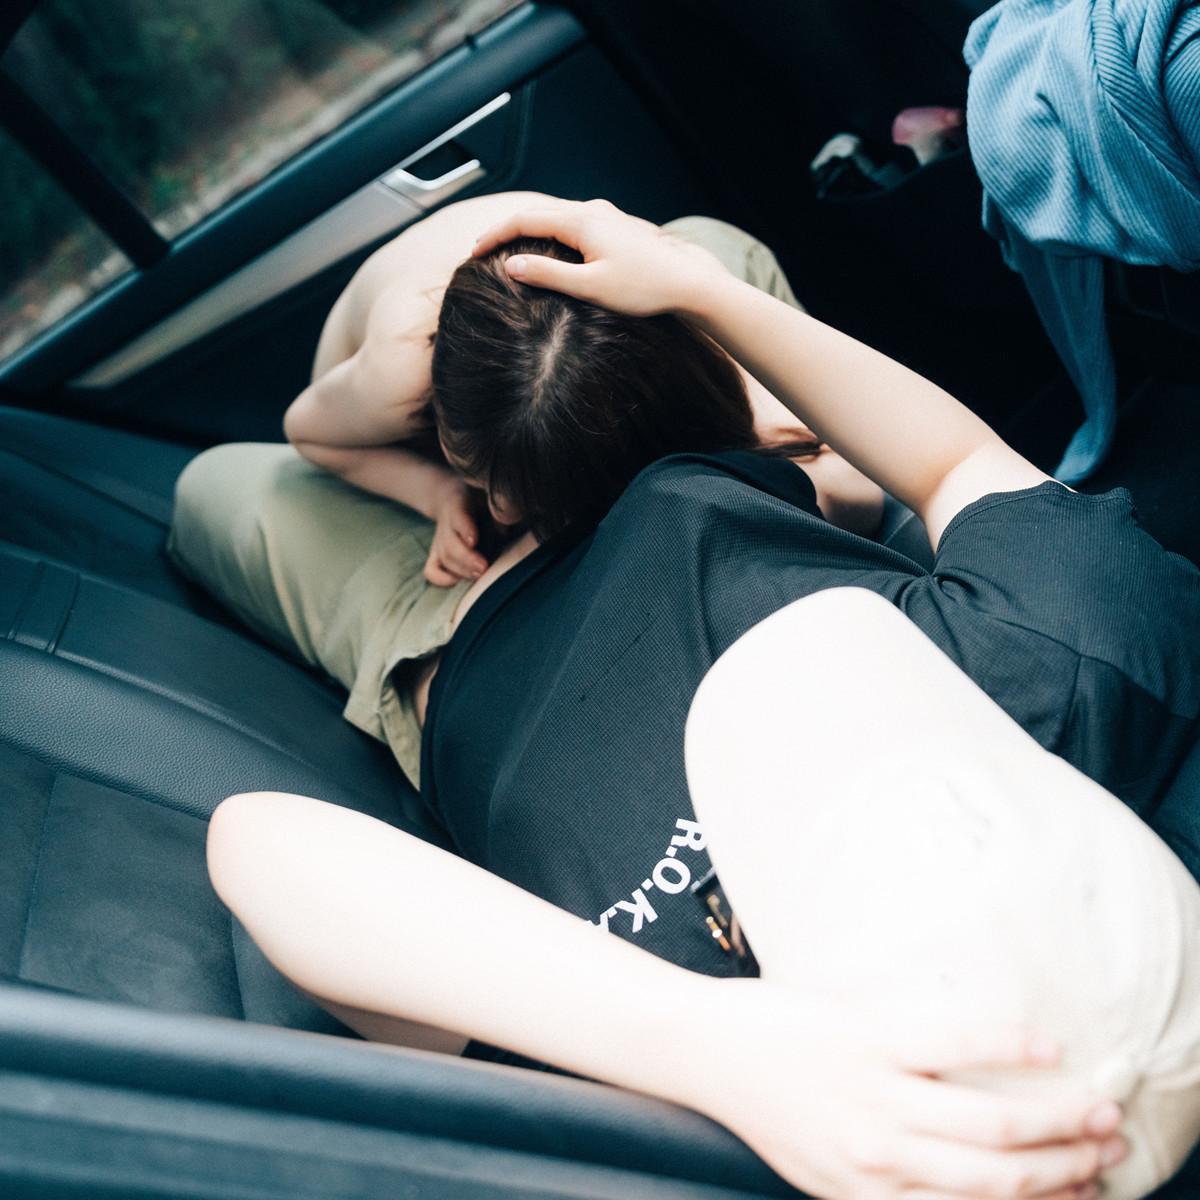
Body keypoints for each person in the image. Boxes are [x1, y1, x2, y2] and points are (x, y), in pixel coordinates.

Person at [186, 198, 1200, 1197]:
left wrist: (713, 1046)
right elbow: (955, 466)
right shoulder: (1078, 668)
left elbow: (258, 839)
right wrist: (704, 296)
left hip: (446, 621)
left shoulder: (663, 1051)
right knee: (697, 251)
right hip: (710, 472)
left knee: (216, 485)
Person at [170, 193, 884, 787]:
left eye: (524, 499)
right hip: (376, 440)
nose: (506, 513)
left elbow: (843, 478)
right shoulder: (398, 371)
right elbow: (310, 433)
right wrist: (436, 492)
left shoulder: (656, 290)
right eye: (495, 487)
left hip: (594, 392)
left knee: (707, 245)